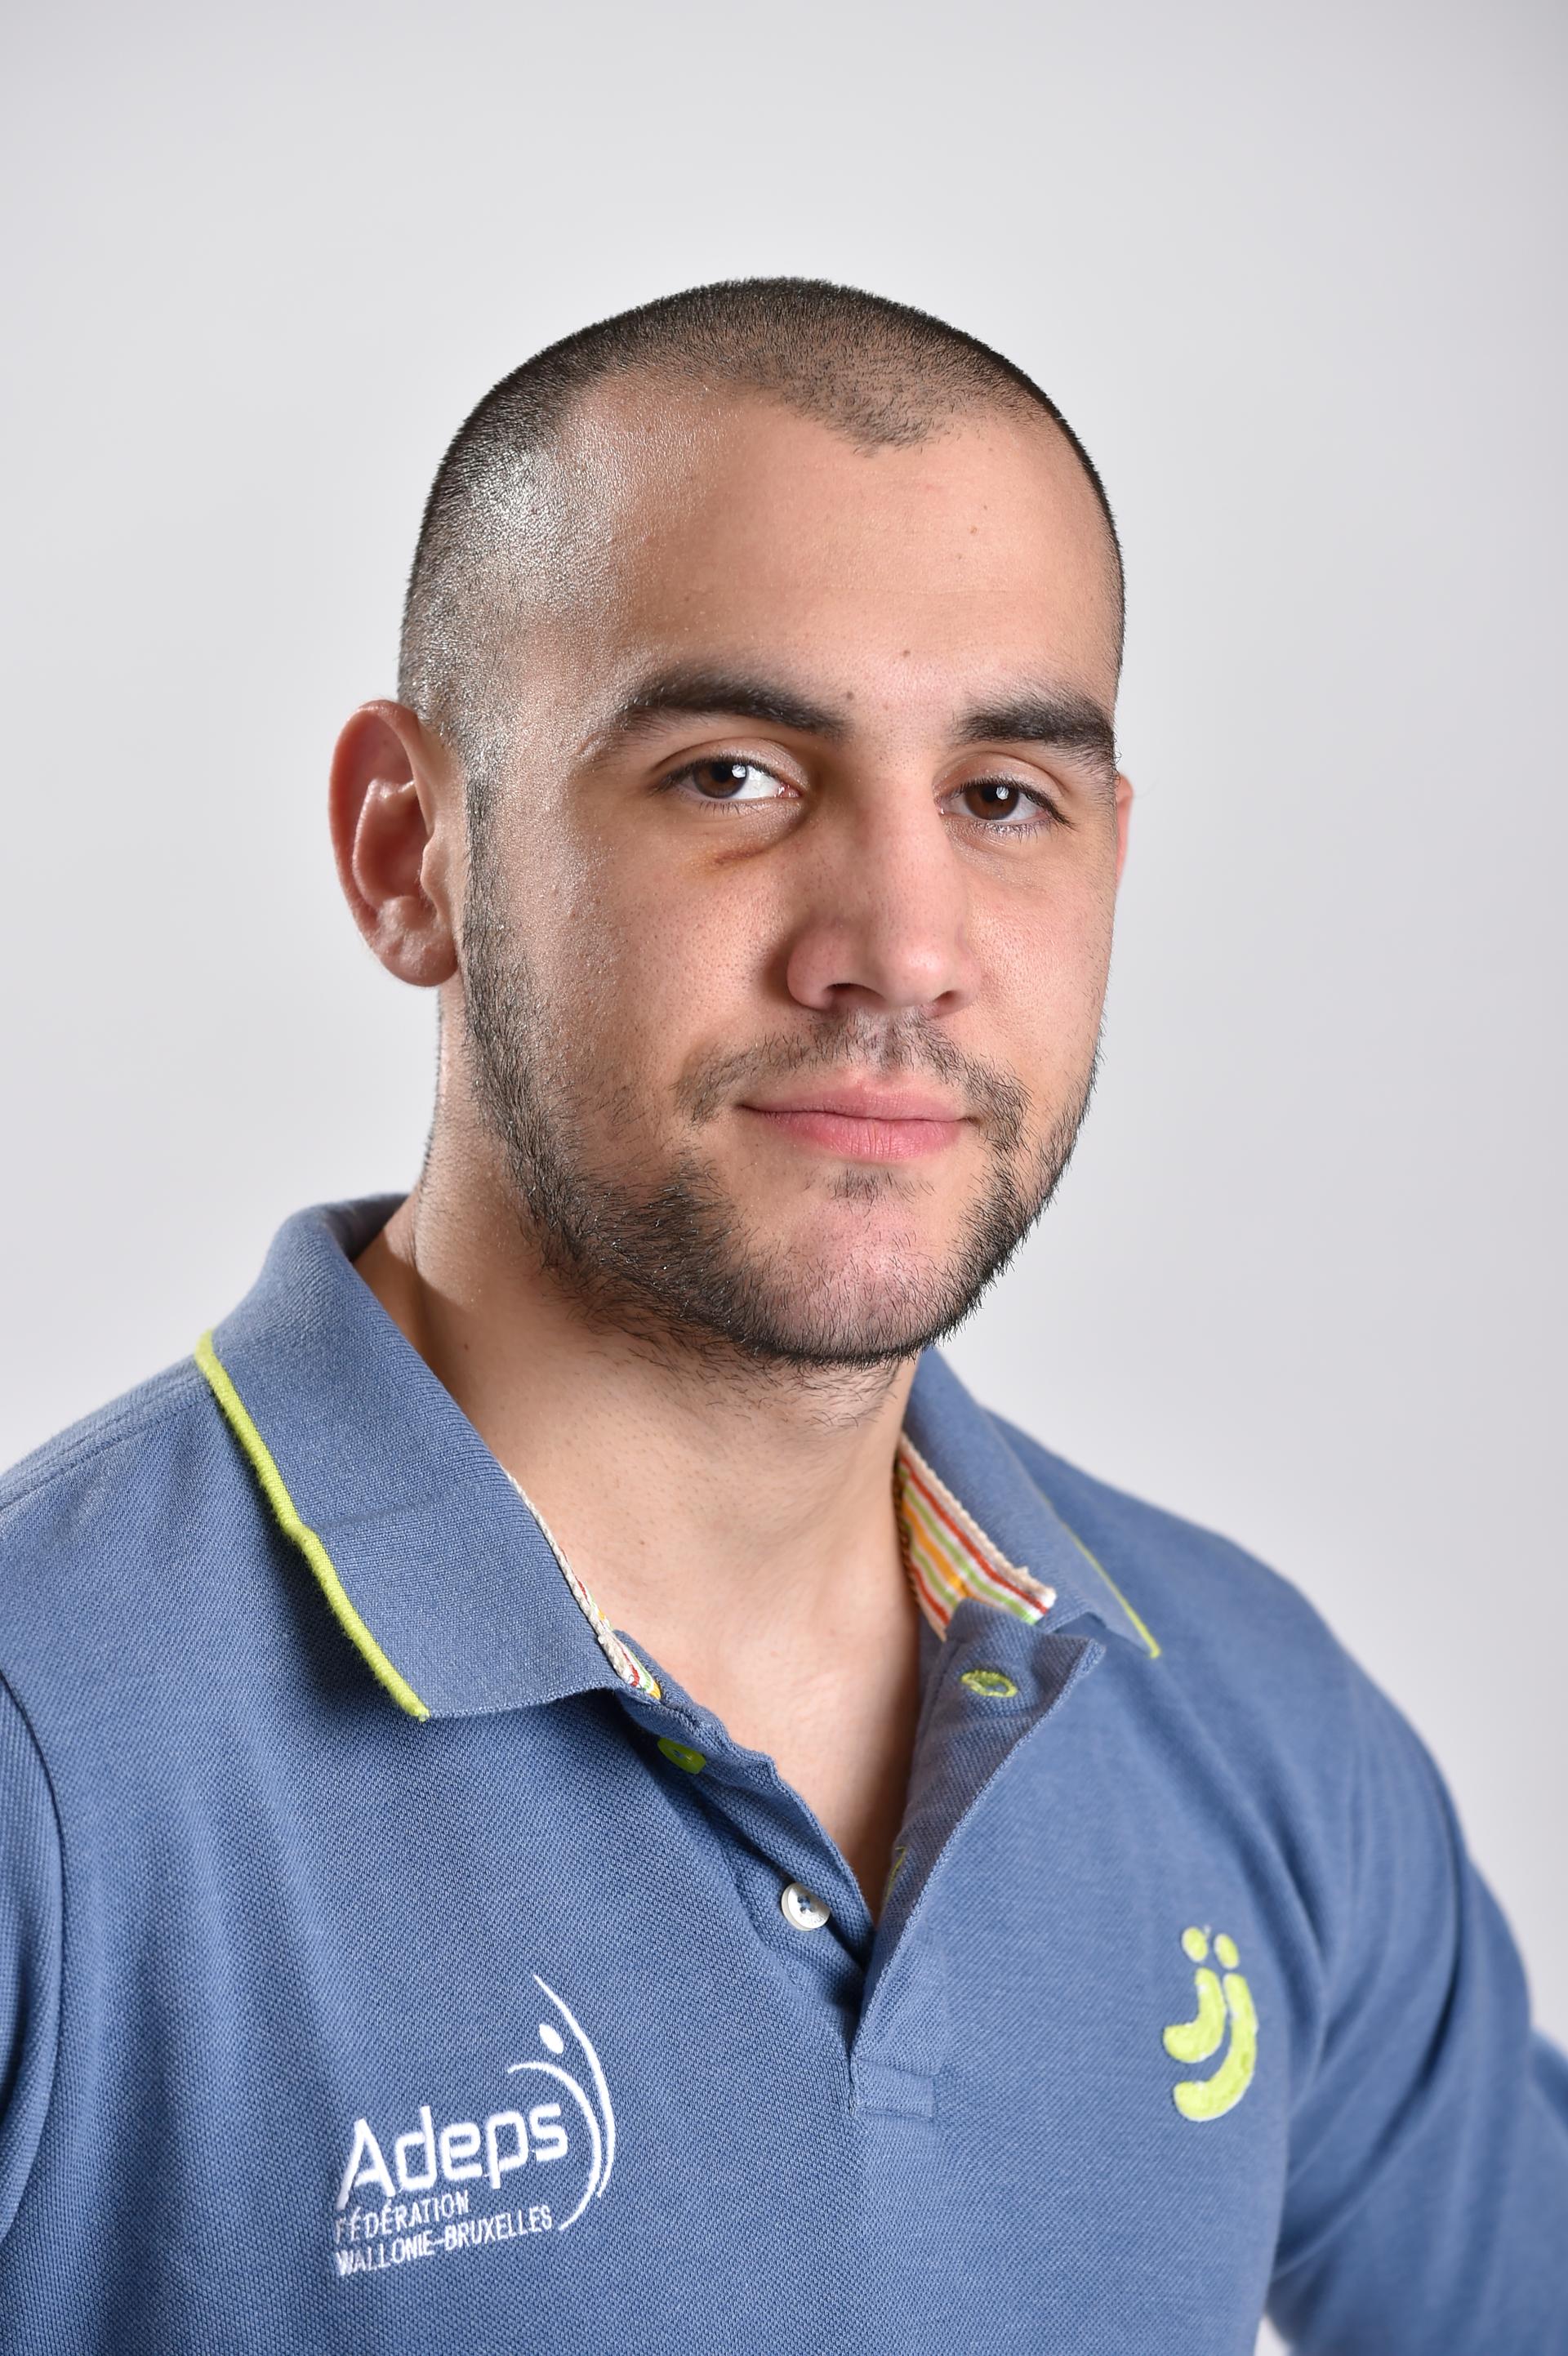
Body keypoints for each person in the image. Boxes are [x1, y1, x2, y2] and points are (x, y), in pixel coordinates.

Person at [0, 279, 1562, 2356]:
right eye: (734, 772)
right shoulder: (50, 1752)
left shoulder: (1246, 1721)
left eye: (1008, 796)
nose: (898, 947)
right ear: (412, 853)